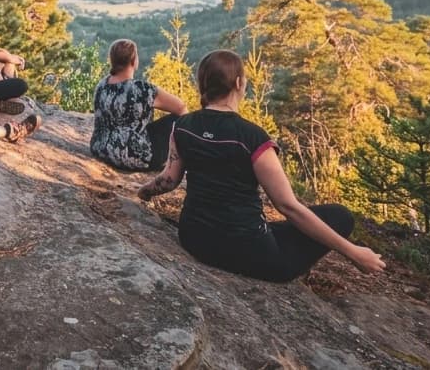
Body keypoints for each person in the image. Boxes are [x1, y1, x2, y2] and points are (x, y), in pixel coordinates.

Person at [136, 49, 386, 283]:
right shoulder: (253, 138)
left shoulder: (183, 126)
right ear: (238, 84)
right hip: (249, 252)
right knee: (340, 216)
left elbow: (170, 178)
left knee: (281, 229)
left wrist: (144, 191)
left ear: (203, 83)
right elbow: (288, 206)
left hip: (194, 238)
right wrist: (353, 253)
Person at [89, 39, 186, 172]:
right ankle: (179, 165)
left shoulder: (102, 85)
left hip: (101, 148)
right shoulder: (142, 89)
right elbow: (181, 107)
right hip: (135, 156)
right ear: (134, 61)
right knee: (179, 120)